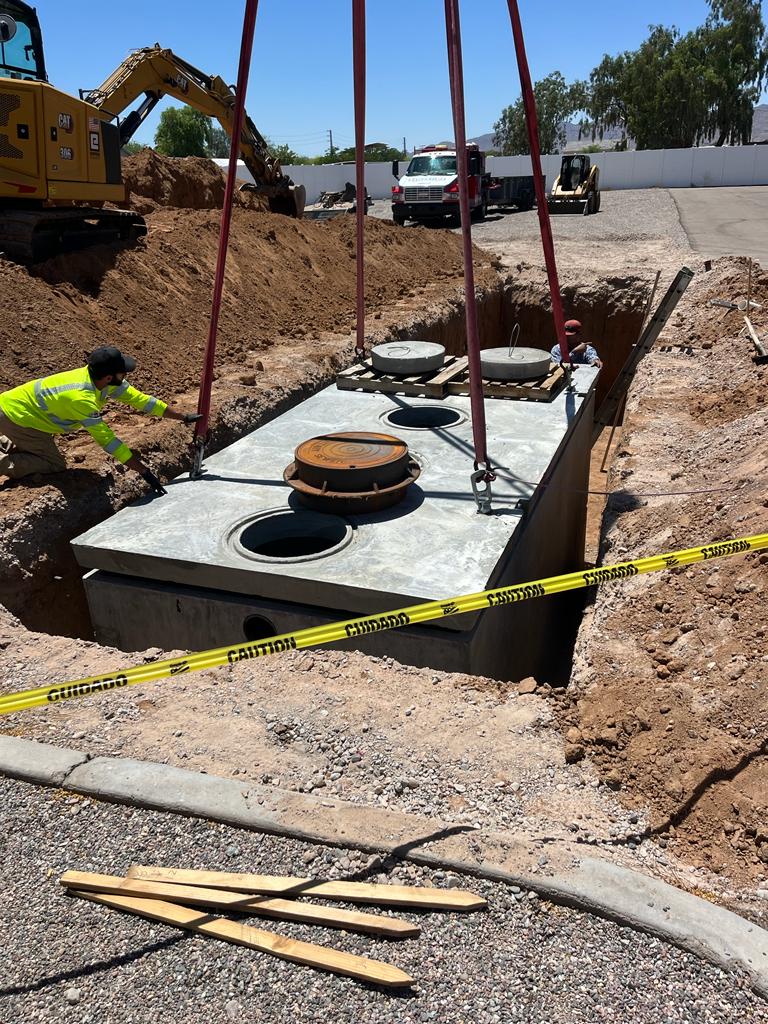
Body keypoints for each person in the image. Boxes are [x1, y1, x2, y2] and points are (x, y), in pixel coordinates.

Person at [0, 346, 200, 493]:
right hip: (16, 416)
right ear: (109, 377)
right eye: (123, 371)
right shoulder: (81, 398)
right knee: (54, 464)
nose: (126, 374)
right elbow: (108, 440)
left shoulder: (101, 378)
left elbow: (142, 401)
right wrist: (144, 472)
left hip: (22, 411)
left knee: (33, 443)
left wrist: (183, 417)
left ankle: (7, 441)